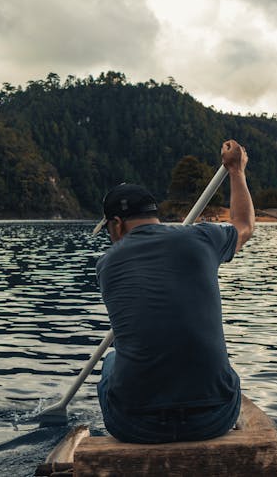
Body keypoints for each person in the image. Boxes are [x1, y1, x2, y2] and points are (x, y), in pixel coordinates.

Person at [93, 140, 255, 443]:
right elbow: (244, 225)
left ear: (116, 224)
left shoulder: (106, 265)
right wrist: (236, 170)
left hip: (133, 426)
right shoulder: (203, 238)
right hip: (215, 419)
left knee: (111, 360)